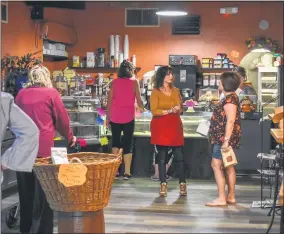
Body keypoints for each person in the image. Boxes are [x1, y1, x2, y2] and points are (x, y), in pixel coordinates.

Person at [15, 65, 76, 234]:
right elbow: (62, 120)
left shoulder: (20, 95)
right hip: (42, 153)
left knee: (25, 194)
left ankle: (25, 228)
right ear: (46, 78)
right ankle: (42, 230)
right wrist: (70, 138)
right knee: (44, 196)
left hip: (22, 152)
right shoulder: (52, 94)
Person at [206, 71, 242, 207]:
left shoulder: (230, 100)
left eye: (220, 81)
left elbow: (231, 121)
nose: (218, 83)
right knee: (229, 166)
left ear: (225, 84)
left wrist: (226, 141)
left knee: (216, 165)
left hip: (222, 139)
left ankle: (221, 198)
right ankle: (231, 196)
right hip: (224, 138)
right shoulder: (232, 97)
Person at [150, 65, 187, 197]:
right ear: (162, 76)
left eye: (172, 74)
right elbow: (154, 110)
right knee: (162, 157)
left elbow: (182, 108)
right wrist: (169, 111)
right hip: (160, 126)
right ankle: (163, 185)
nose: (171, 76)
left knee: (179, 157)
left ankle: (183, 184)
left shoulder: (176, 91)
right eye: (168, 74)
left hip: (175, 126)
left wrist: (179, 109)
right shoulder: (155, 91)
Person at [106, 60, 144, 180]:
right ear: (131, 70)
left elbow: (109, 101)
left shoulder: (114, 82)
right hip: (128, 117)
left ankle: (115, 171)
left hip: (115, 117)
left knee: (116, 142)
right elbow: (139, 100)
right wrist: (143, 108)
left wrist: (107, 117)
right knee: (128, 144)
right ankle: (127, 173)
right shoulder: (134, 83)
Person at [1, 91, 39, 172]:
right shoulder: (3, 100)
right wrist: (7, 160)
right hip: (42, 147)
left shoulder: (22, 93)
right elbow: (30, 131)